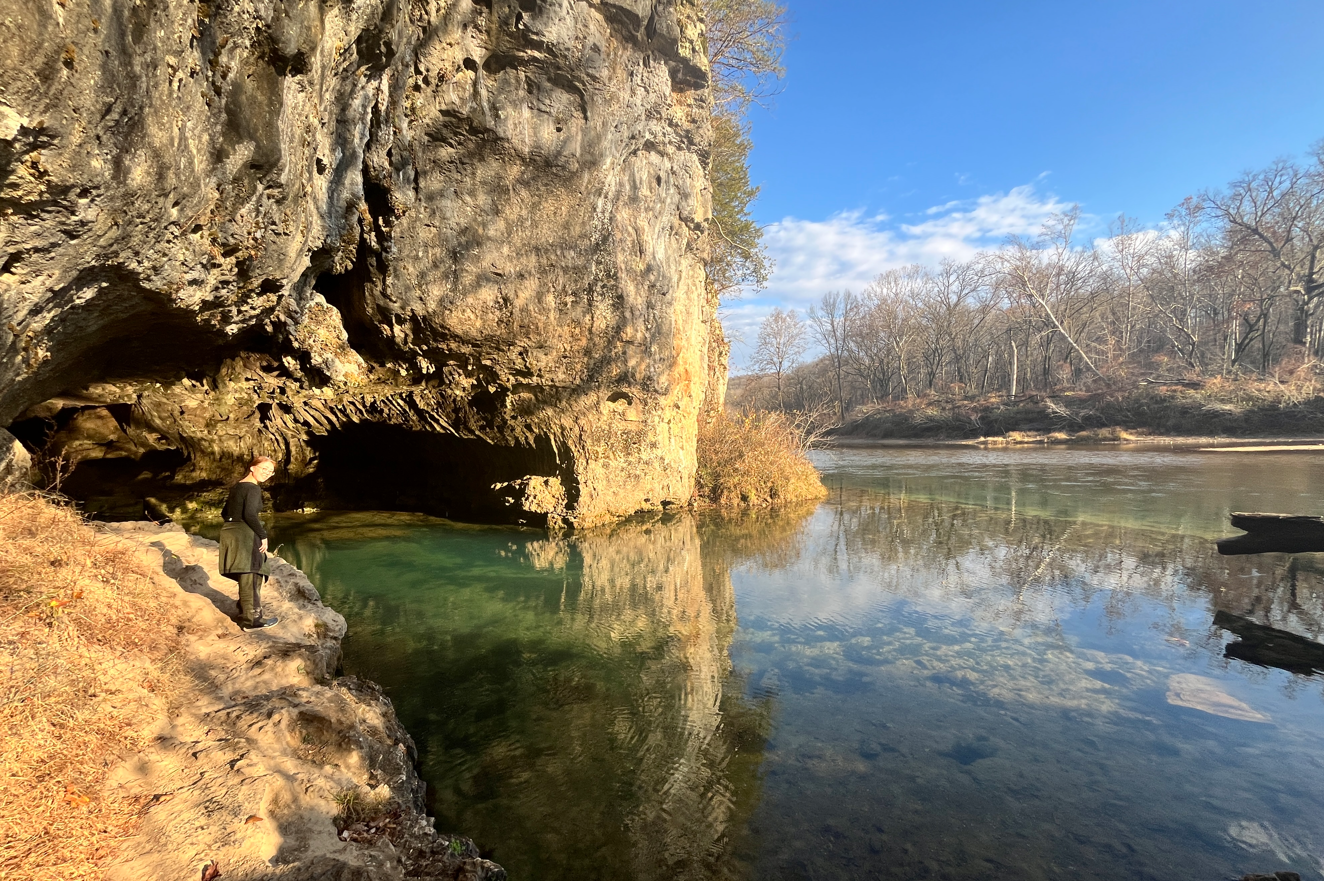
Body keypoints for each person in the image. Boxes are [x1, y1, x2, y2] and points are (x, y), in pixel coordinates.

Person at [219, 454, 279, 629]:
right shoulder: (253, 489)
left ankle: (243, 609)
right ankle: (252, 620)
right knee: (252, 573)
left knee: (245, 572)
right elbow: (250, 515)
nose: (267, 473)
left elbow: (225, 512)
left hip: (231, 532)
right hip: (246, 533)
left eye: (271, 471)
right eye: (264, 469)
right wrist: (263, 535)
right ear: (252, 468)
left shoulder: (237, 487)